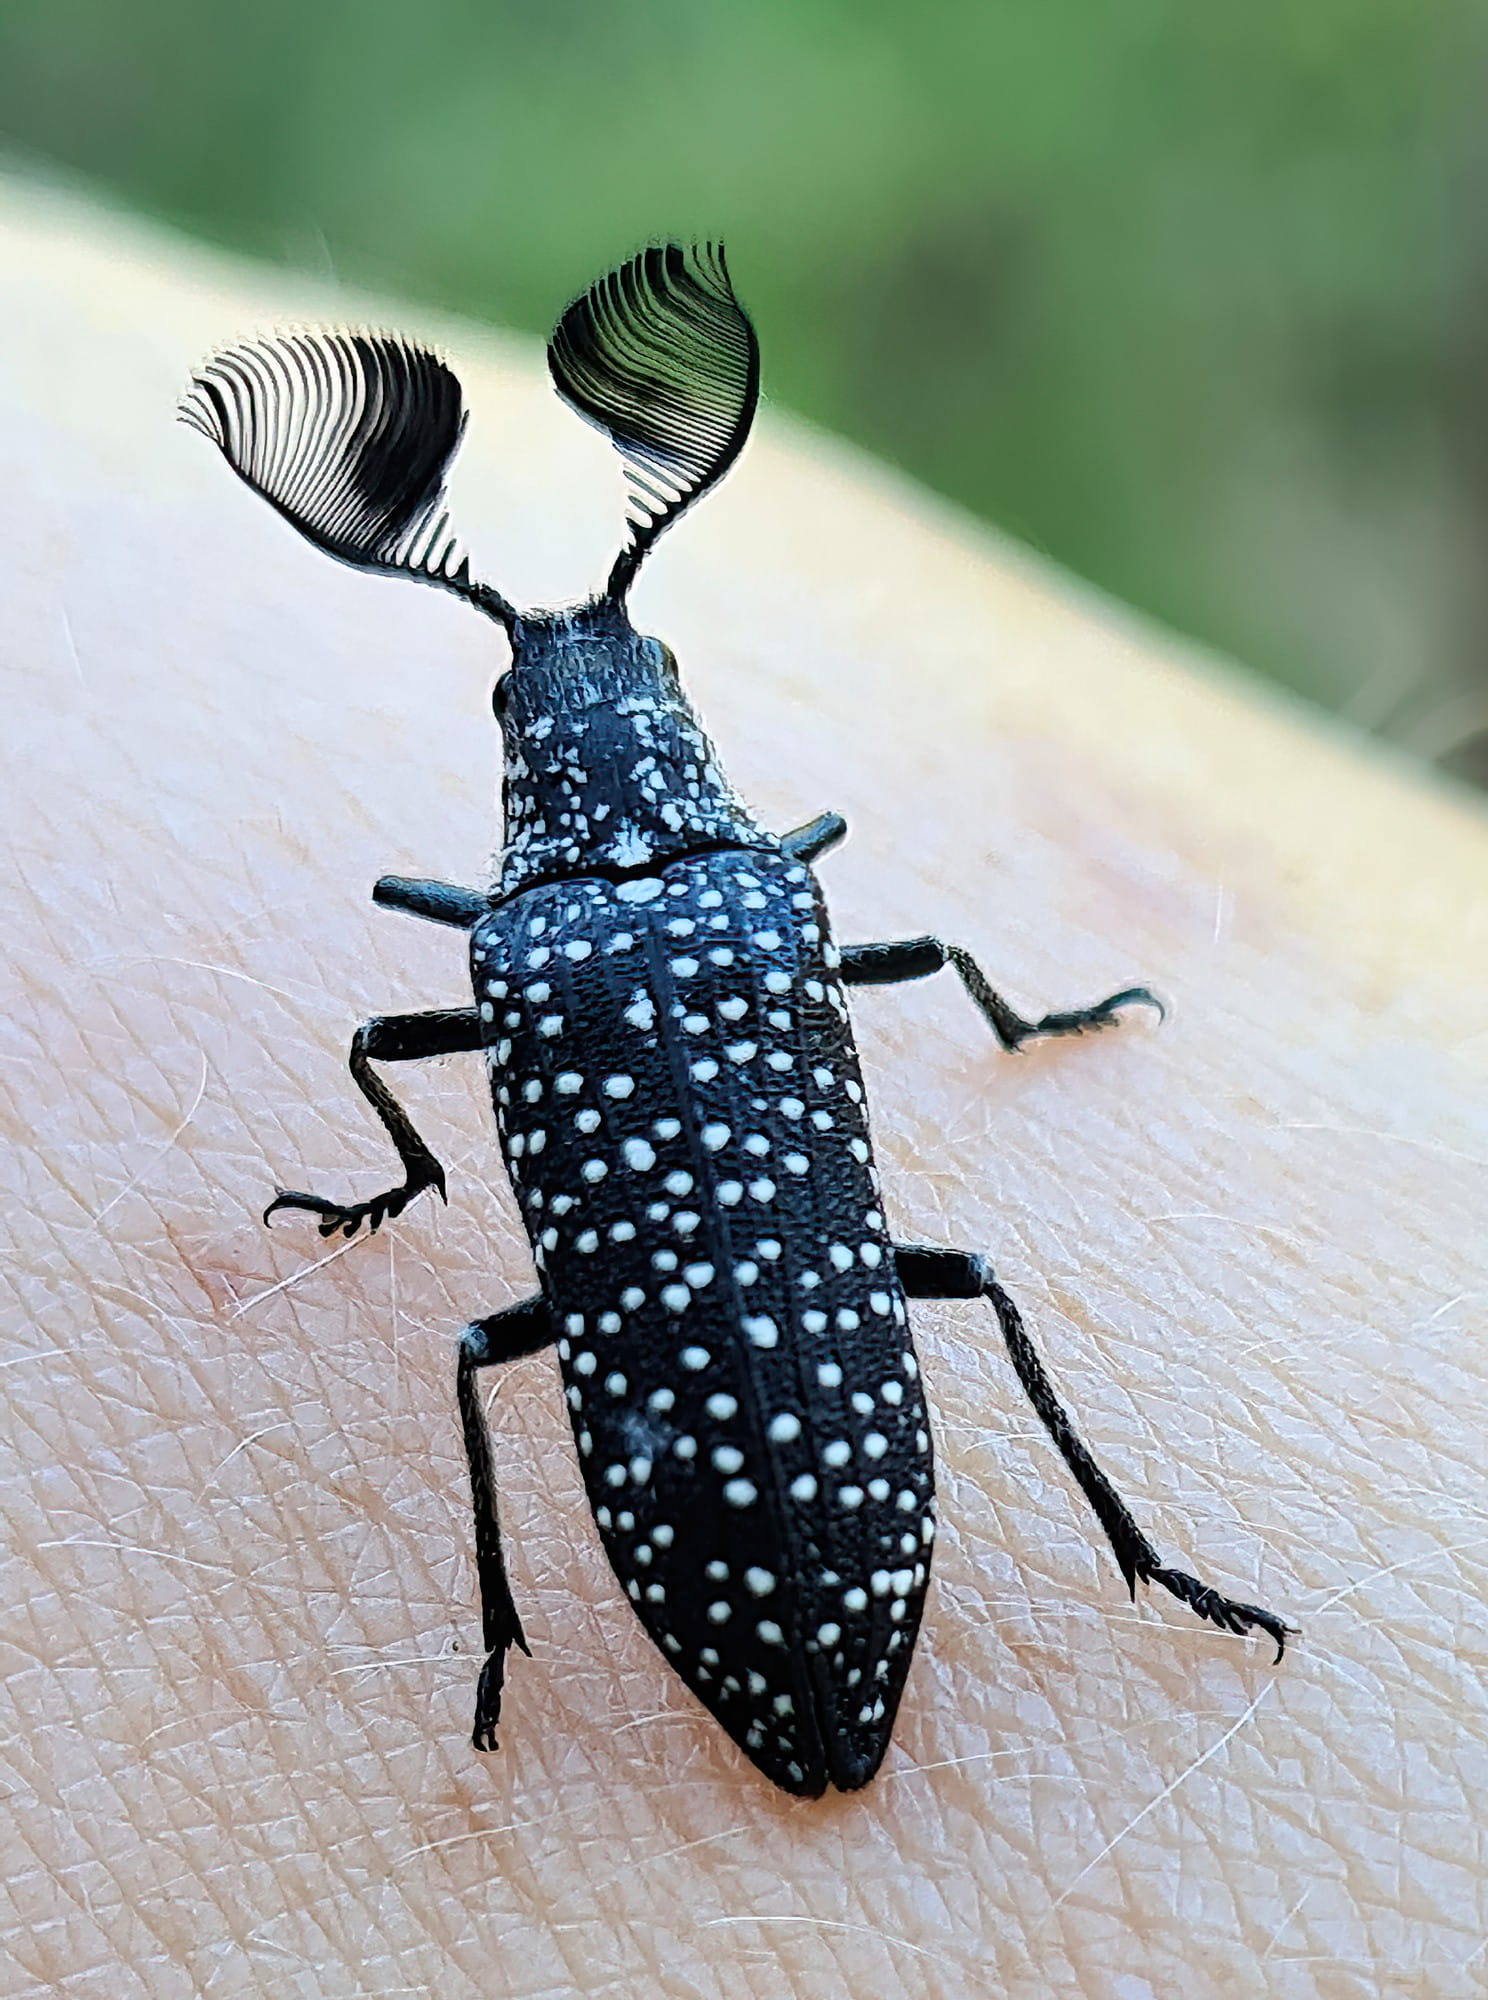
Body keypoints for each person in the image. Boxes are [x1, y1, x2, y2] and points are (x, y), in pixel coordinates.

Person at [4, 180, 1485, 1992]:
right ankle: (1138, 1566)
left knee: (487, 1354)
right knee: (971, 1265)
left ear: (526, 762)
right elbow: (904, 950)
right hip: (828, 1404)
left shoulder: (516, 951)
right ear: (677, 713)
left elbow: (389, 1043)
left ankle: (504, 1640)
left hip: (687, 1443)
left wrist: (404, 1165)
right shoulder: (763, 897)